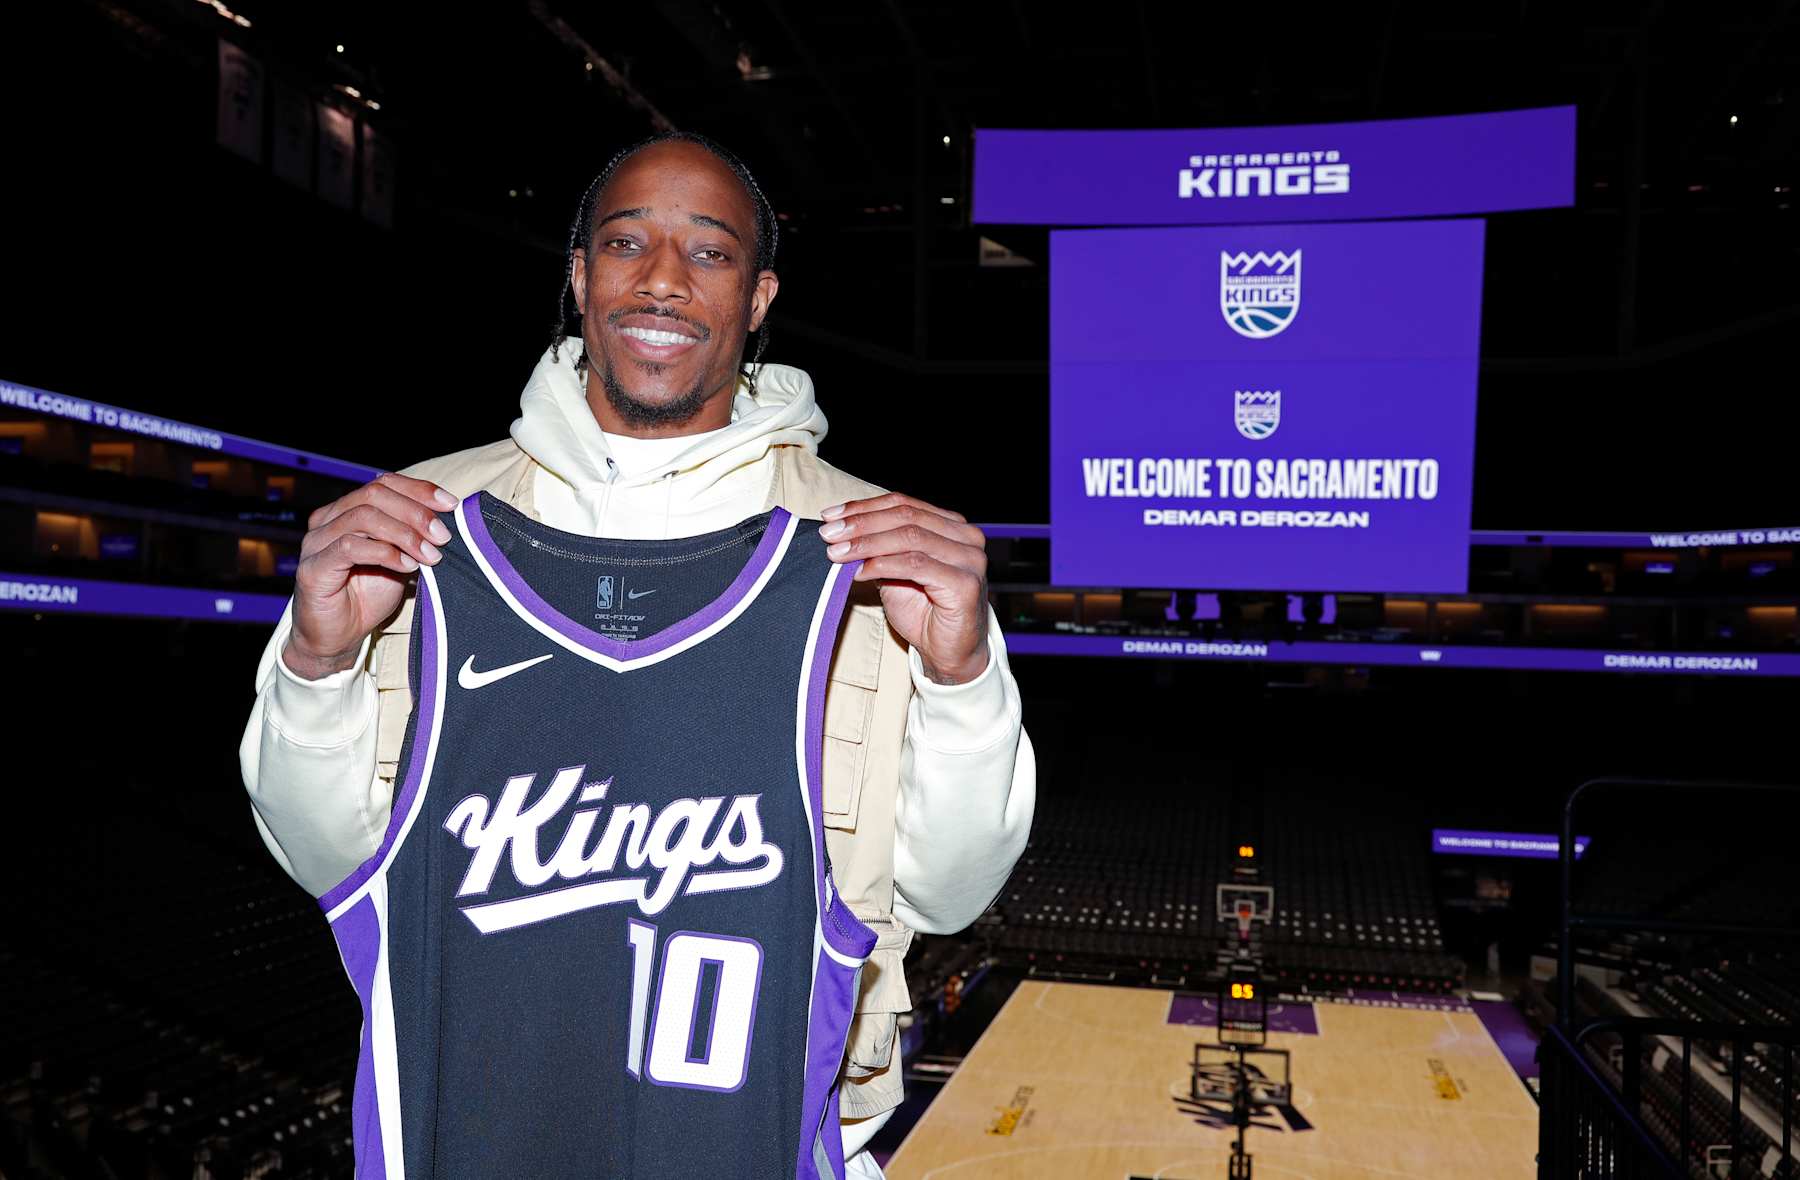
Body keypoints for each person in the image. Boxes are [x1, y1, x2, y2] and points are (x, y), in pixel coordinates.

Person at [239, 131, 1035, 1177]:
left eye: (709, 253)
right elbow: (324, 856)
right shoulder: (421, 531)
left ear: (758, 298)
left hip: (774, 1137)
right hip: (483, 1132)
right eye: (625, 243)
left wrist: (962, 679)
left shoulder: (873, 552)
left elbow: (948, 892)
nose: (662, 278)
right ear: (578, 278)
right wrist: (316, 664)